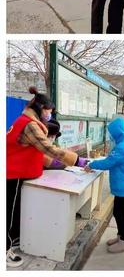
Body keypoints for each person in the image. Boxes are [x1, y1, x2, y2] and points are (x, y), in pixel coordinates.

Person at [6, 87, 87, 267]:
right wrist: (77, 160)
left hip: (18, 172)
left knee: (17, 209)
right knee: (8, 214)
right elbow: (49, 150)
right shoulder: (30, 125)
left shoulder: (28, 121)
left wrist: (65, 163)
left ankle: (14, 238)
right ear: (40, 108)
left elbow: (39, 154)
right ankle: (5, 250)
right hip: (12, 173)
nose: (50, 114)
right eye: (49, 111)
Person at [86, 118, 124, 253]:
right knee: (118, 212)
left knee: (121, 215)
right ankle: (120, 237)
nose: (110, 136)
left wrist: (91, 165)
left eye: (111, 133)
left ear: (117, 133)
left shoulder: (122, 147)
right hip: (123, 185)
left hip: (123, 187)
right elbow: (112, 160)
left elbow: (108, 163)